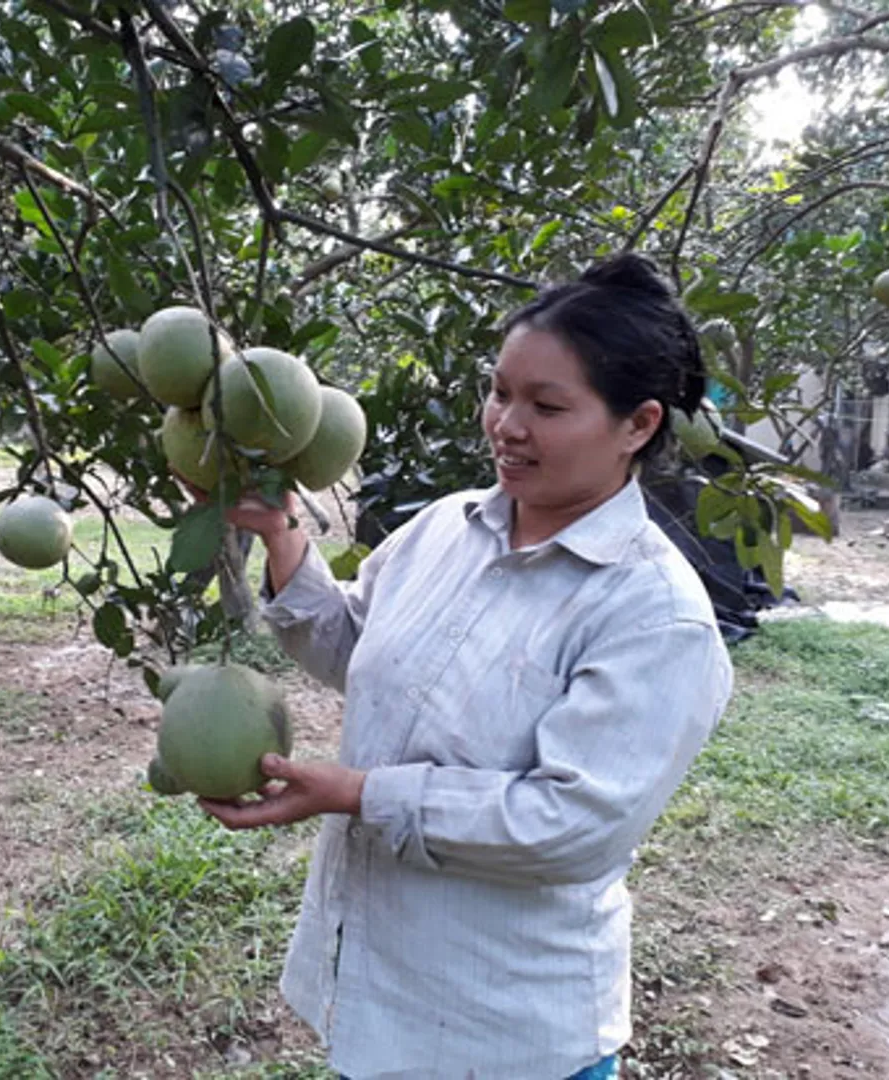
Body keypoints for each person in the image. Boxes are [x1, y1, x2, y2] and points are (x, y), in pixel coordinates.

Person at [198, 253, 735, 1080]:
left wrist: (358, 793)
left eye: (547, 406)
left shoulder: (652, 613)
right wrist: (280, 535)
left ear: (639, 424)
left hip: (508, 1031)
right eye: (500, 392)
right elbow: (355, 650)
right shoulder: (449, 526)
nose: (507, 425)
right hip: (383, 992)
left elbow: (571, 827)